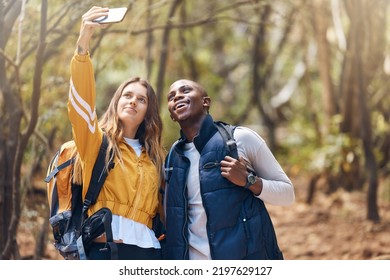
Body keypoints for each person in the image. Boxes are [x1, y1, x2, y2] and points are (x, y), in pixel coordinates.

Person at [68, 6, 165, 260]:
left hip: (151, 253)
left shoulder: (155, 157)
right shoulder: (96, 143)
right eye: (128, 95)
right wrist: (82, 47)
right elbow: (81, 108)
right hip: (106, 249)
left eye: (141, 100)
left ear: (148, 111)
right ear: (117, 101)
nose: (133, 102)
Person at [164, 79, 295, 260]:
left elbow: (288, 194)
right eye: (171, 97)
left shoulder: (240, 138)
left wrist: (250, 181)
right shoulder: (173, 156)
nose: (177, 96)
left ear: (205, 102)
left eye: (185, 90)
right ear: (171, 113)